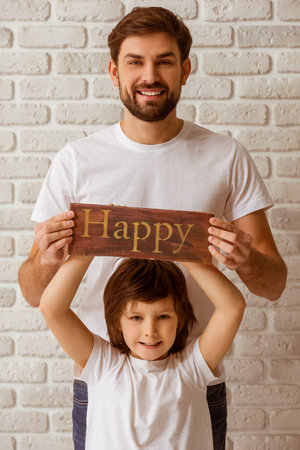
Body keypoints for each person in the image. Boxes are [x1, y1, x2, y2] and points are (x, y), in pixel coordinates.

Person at [18, 6, 287, 450]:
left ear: (184, 68)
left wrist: (247, 259)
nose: (150, 75)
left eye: (164, 61)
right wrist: (48, 258)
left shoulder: (227, 156)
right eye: (135, 62)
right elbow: (33, 294)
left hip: (193, 378)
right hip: (102, 380)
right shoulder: (75, 161)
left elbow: (273, 284)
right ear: (113, 71)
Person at [39, 255, 246, 450]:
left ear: (180, 319)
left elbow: (233, 307)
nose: (150, 331)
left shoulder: (192, 368)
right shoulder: (102, 364)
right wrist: (84, 252)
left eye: (163, 316)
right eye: (136, 317)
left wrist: (188, 255)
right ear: (117, 320)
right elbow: (52, 308)